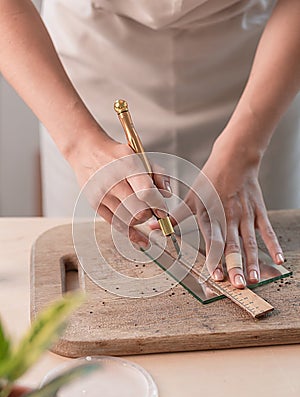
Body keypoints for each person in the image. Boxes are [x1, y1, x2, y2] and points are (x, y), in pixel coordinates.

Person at [0, 0, 299, 289]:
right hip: (85, 72)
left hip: (260, 68)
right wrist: (79, 144)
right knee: (92, 273)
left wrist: (245, 148)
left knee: (257, 256)